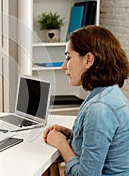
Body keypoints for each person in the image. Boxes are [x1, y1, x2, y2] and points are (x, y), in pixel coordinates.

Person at [43, 25, 129, 175]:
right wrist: (71, 134)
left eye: (68, 57)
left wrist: (61, 143)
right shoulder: (108, 93)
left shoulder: (100, 108)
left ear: (88, 59)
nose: (64, 65)